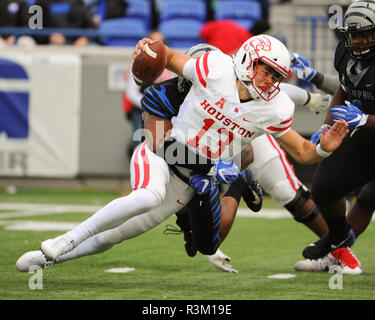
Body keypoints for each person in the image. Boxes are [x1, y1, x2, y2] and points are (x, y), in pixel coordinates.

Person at [16, 34, 348, 273]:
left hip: (194, 181)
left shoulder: (274, 108)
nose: (271, 80)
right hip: (160, 156)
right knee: (147, 195)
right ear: (248, 60)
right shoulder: (214, 68)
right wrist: (147, 47)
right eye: (267, 70)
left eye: (277, 75)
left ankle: (50, 259)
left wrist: (322, 148)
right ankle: (64, 241)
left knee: (117, 236)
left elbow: (303, 152)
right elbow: (167, 56)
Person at [299, 1, 375, 267]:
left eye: (367, 34)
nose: (361, 40)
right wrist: (329, 127)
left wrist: (366, 119)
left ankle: (333, 247)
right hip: (365, 136)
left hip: (366, 125)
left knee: (368, 198)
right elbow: (344, 90)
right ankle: (338, 243)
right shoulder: (344, 51)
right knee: (325, 188)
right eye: (355, 35)